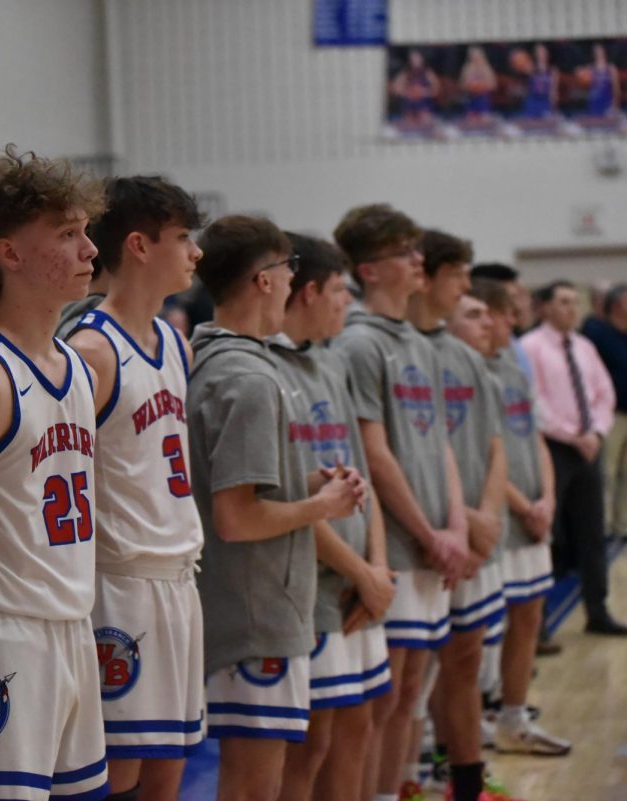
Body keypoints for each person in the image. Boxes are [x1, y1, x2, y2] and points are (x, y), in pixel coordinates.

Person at [0, 147, 110, 801]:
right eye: (67, 234)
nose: (90, 249)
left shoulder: (78, 367)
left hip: (73, 622)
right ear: (7, 254)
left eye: (85, 231)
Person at [186, 216, 363, 801]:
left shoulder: (226, 360)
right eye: (287, 269)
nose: (294, 281)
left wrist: (303, 480)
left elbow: (235, 484)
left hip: (255, 605)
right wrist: (321, 503)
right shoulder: (248, 377)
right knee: (254, 784)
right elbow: (236, 518)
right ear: (264, 280)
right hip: (255, 612)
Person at [64, 175, 207, 800]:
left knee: (169, 770)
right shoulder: (91, 349)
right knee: (118, 773)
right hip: (118, 585)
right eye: (182, 238)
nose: (195, 252)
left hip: (179, 576)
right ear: (140, 246)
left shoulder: (176, 342)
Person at [330, 205, 468, 801]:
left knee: (412, 690)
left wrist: (457, 526)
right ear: (370, 270)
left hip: (435, 541)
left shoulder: (418, 339)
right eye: (405, 253)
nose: (419, 262)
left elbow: (438, 441)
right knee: (386, 698)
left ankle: (403, 788)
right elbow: (374, 453)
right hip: (404, 545)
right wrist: (428, 533)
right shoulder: (359, 344)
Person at [267, 233, 395, 801]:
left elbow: (361, 475)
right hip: (314, 589)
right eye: (341, 289)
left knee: (362, 723)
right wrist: (362, 572)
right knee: (311, 744)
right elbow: (282, 499)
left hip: (357, 582)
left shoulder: (329, 361)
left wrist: (379, 566)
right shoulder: (263, 369)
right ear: (310, 290)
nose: (348, 301)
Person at [409, 230, 507, 801]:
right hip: (431, 533)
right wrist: (461, 522)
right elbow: (401, 455)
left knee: (466, 657)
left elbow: (495, 445)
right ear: (429, 276)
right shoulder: (398, 350)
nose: (469, 288)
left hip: (472, 533)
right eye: (459, 276)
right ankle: (415, 777)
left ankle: (464, 783)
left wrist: (487, 517)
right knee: (409, 679)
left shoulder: (468, 358)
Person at [461, 280, 572, 756]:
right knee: (485, 631)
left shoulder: (511, 363)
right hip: (501, 519)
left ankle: (514, 715)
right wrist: (523, 505)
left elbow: (536, 438)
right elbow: (487, 455)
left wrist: (545, 497)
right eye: (504, 313)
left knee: (528, 615)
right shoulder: (468, 371)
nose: (509, 321)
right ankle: (476, 719)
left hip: (532, 514)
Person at [519, 281, 625, 635]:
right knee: (551, 534)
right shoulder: (530, 347)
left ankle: (597, 609)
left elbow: (603, 392)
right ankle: (541, 620)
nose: (571, 308)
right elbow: (535, 401)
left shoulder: (584, 346)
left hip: (588, 446)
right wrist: (571, 434)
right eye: (563, 302)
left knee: (592, 531)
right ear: (544, 307)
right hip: (552, 447)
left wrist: (594, 431)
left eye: (574, 302)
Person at [581, 284, 627, 538]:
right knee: (607, 472)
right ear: (617, 305)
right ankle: (604, 523)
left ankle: (623, 524)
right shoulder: (598, 333)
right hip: (611, 415)